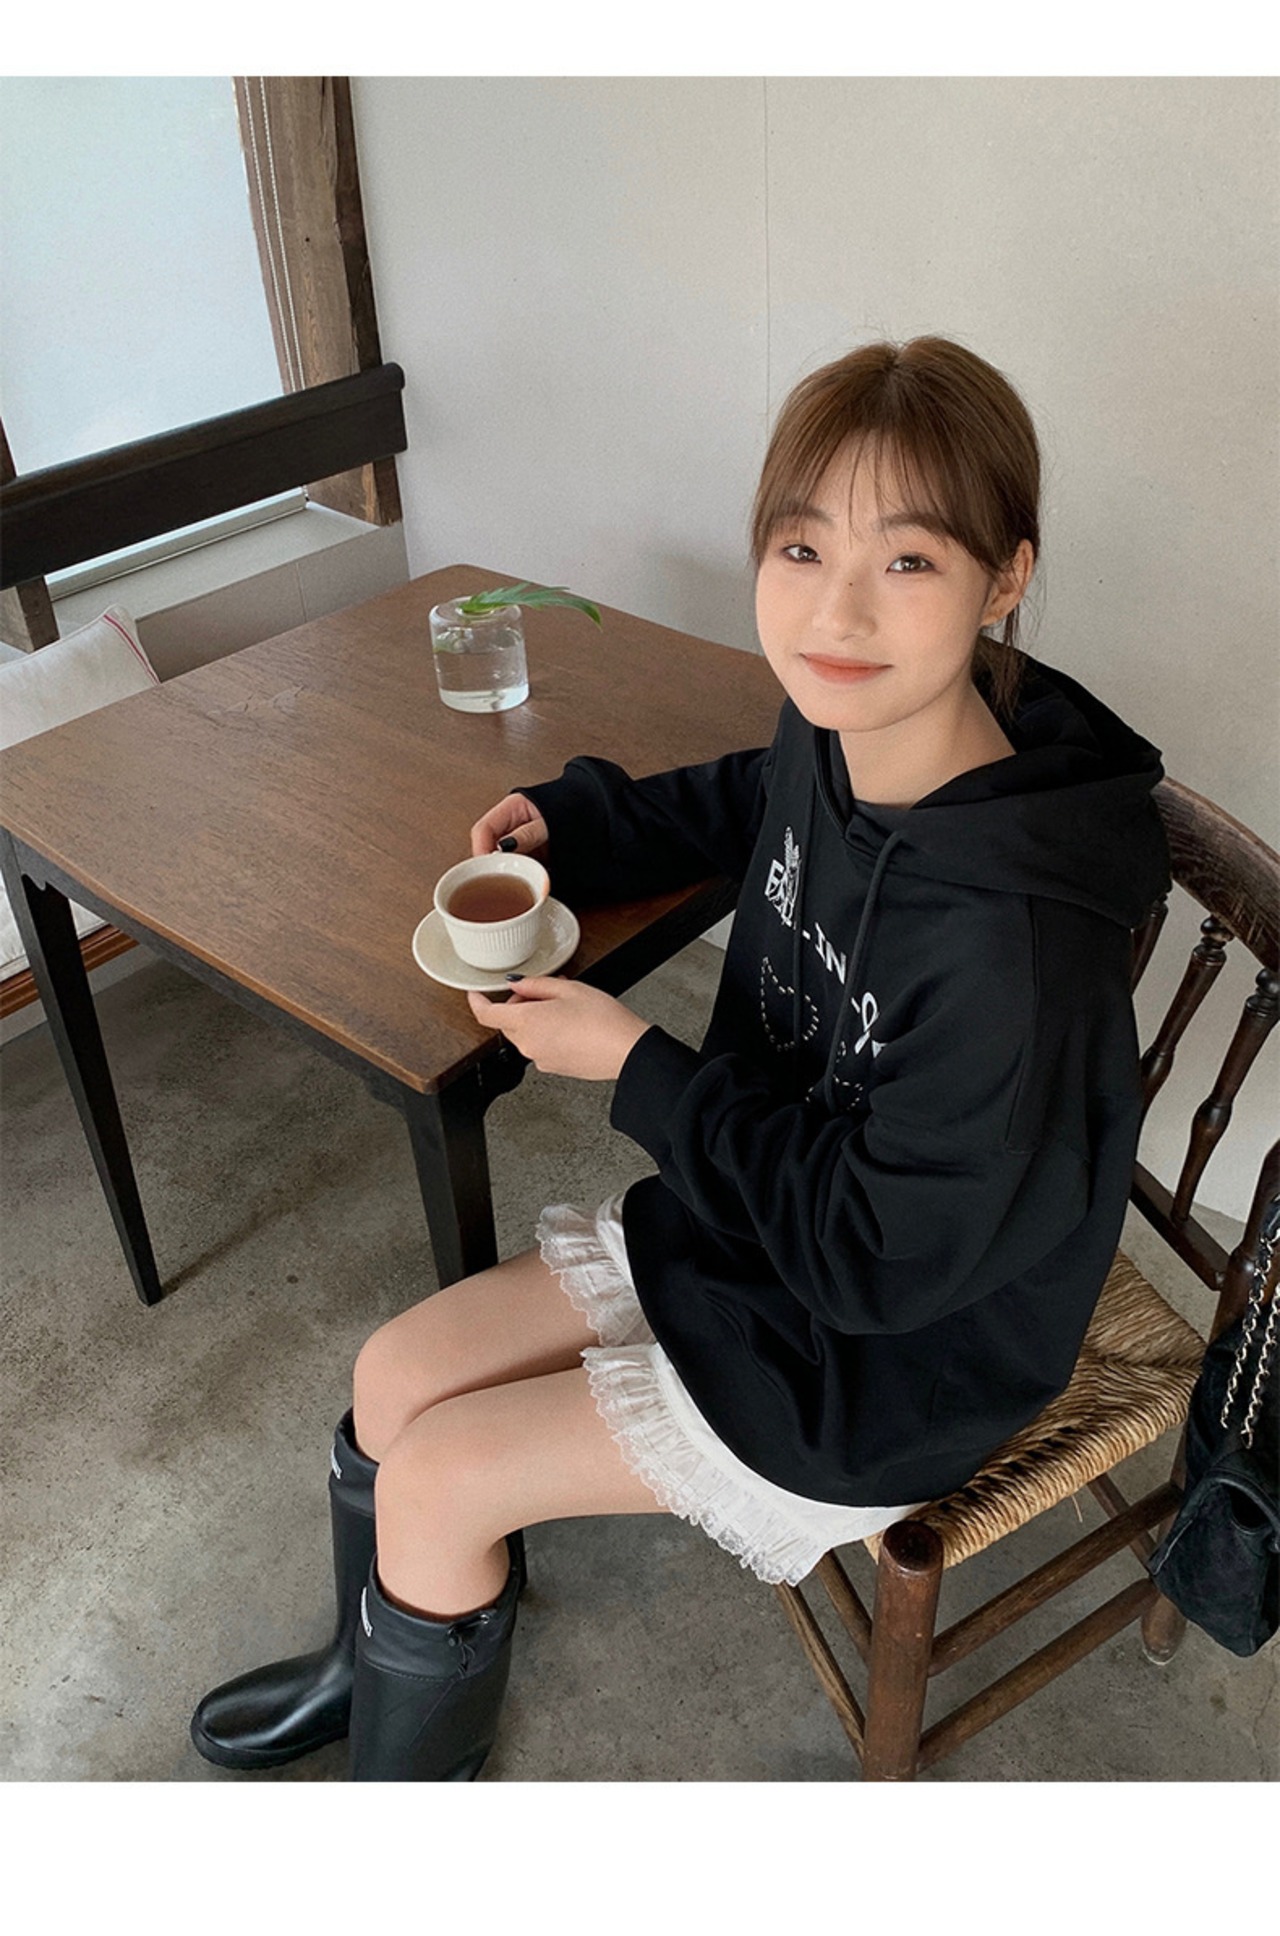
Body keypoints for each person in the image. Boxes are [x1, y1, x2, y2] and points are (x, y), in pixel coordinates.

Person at [190, 335, 1170, 1781]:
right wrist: (582, 827)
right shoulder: (849, 717)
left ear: (1004, 576)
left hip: (889, 1359)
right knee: (392, 1378)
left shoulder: (1013, 952)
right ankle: (374, 1660)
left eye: (907, 560)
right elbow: (755, 796)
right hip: (752, 1226)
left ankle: (409, 1773)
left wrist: (638, 1064)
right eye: (800, 546)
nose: (835, 609)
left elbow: (881, 1260)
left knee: (441, 1474)